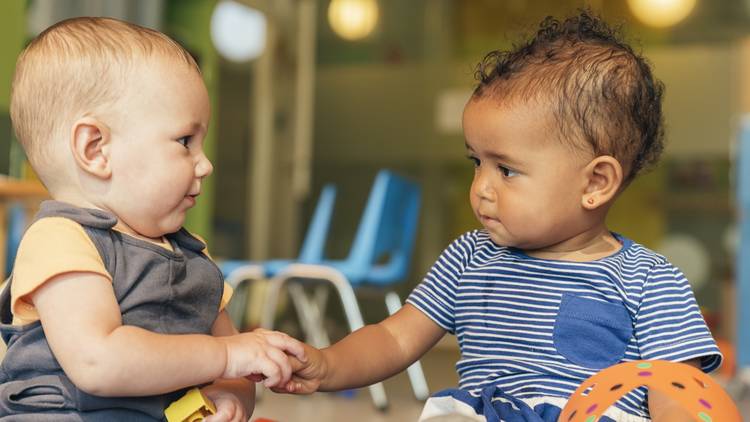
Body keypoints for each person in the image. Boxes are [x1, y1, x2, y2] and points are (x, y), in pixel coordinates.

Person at [283, 11, 722, 422]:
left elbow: (675, 389)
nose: (481, 188)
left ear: (594, 184)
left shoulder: (649, 279)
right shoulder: (470, 258)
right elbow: (394, 338)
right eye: (477, 162)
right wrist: (328, 364)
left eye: (506, 170)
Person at [0, 17, 306, 421]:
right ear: (95, 149)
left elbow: (235, 370)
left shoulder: (194, 257)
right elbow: (98, 361)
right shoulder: (61, 240)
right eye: (185, 142)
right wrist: (224, 356)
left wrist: (230, 396)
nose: (206, 164)